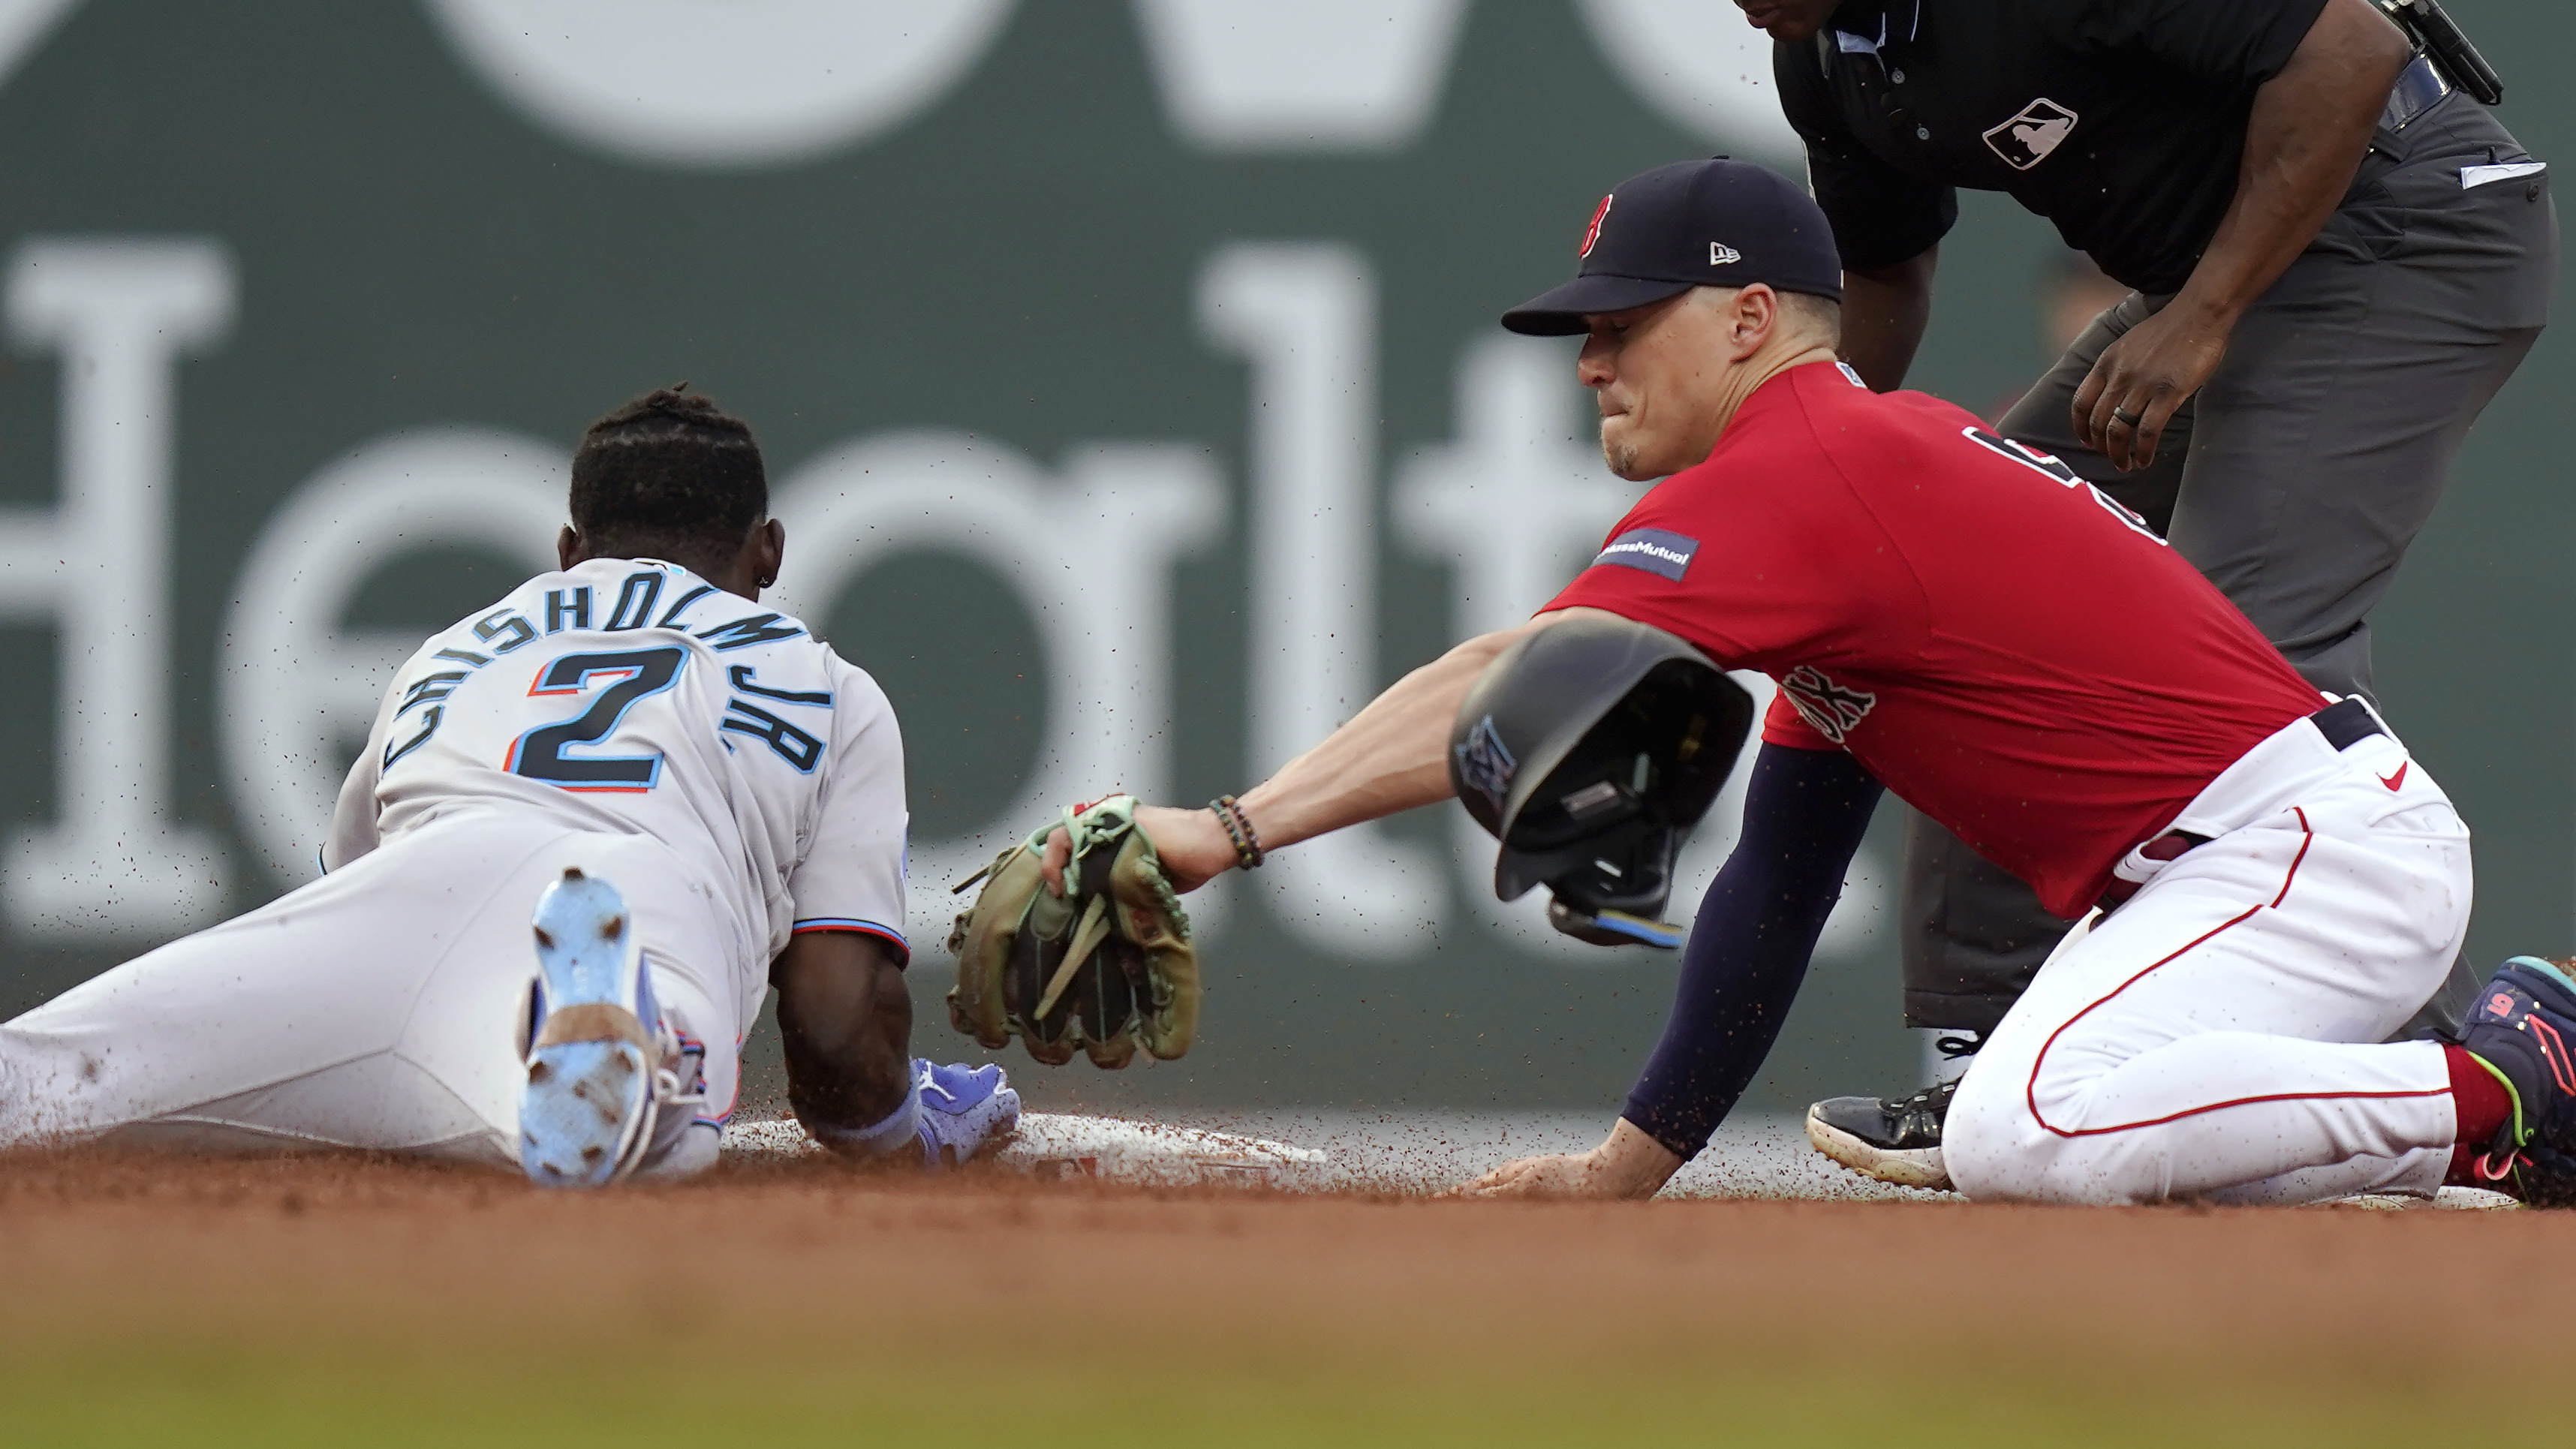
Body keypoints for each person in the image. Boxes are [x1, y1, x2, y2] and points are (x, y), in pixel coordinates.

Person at [1060, 157, 2574, 1207]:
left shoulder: (1810, 466)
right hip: (2266, 862)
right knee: (2121, 1160)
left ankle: (2503, 1094)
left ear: (1746, 321)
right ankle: (2493, 1093)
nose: (1590, 361)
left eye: (1619, 321)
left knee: (2025, 1130)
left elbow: (1509, 674)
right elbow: (1777, 884)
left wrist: (1228, 831)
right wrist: (1629, 1166)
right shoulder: (1841, 522)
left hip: (2298, 853)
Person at [1749, 0, 2555, 1182]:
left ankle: (2497, 1089)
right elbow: (1879, 276)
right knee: (1971, 579)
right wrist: (1795, 482)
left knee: (2239, 672)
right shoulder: (1825, 52)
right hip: (2231, 270)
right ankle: (1993, 1044)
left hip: (2403, 226)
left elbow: (2354, 47)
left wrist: (2204, 316)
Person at [0, 387, 1019, 1186]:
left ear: (570, 554)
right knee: (629, 1144)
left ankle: (574, 1038)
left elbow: (352, 877)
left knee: (55, 1078)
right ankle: (611, 1033)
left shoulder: (451, 652)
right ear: (769, 553)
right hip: (644, 899)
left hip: (400, 902)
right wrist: (898, 1127)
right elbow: (838, 1025)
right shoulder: (825, 683)